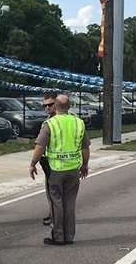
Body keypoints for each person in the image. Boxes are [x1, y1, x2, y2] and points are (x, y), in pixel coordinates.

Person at [29, 94, 90, 245]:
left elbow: (40, 146)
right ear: (69, 107)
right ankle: (69, 236)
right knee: (70, 203)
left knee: (56, 203)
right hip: (73, 169)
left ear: (55, 107)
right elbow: (85, 148)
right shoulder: (78, 123)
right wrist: (85, 165)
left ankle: (58, 236)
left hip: (56, 170)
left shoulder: (50, 124)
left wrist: (33, 163)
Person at [39, 92, 57, 225]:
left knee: (56, 194)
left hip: (58, 162)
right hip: (49, 160)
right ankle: (52, 213)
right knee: (51, 192)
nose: (47, 108)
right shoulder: (49, 120)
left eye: (50, 105)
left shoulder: (56, 120)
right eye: (45, 106)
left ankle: (56, 216)